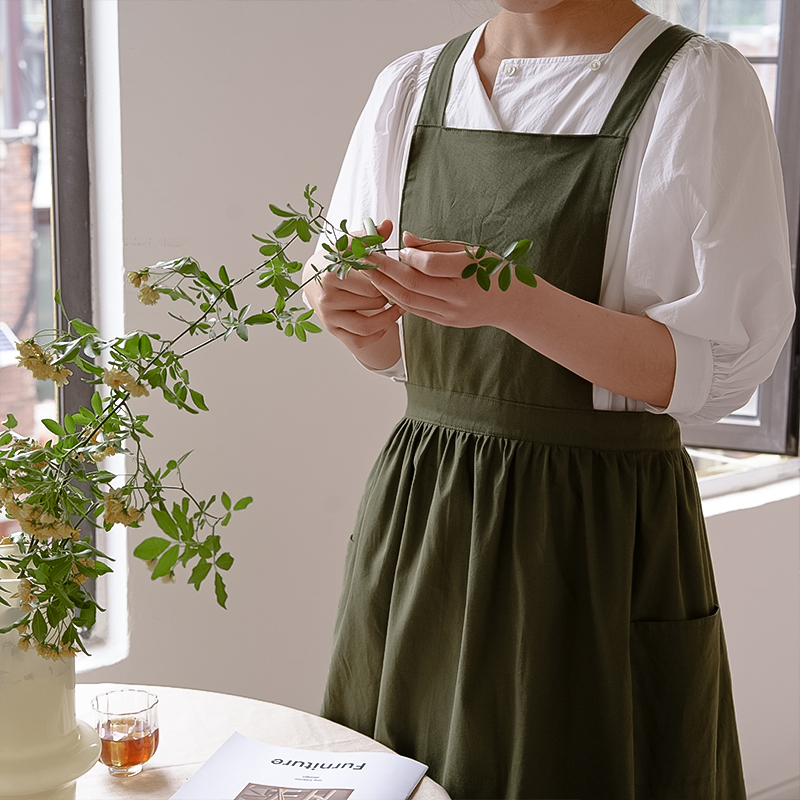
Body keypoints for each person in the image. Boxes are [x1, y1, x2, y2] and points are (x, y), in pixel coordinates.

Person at [302, 1, 795, 798]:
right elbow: (394, 350)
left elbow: (717, 372)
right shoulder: (411, 88)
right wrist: (352, 318)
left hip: (593, 519)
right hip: (429, 503)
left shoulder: (694, 86)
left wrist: (514, 301)